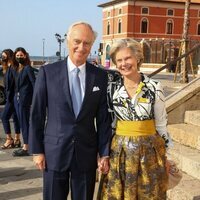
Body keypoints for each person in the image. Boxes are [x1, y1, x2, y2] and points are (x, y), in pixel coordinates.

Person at [28, 21, 112, 200]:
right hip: (54, 152)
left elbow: (103, 118)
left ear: (92, 46)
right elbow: (37, 114)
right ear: (68, 41)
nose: (81, 47)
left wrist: (104, 153)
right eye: (77, 41)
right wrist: (37, 150)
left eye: (87, 43)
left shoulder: (100, 76)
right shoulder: (48, 73)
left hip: (86, 154)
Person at [97, 38, 173, 200]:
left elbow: (161, 124)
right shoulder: (111, 89)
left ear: (138, 58)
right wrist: (103, 155)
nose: (124, 63)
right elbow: (108, 124)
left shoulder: (154, 87)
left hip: (150, 153)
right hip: (120, 153)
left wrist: (166, 156)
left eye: (127, 58)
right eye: (119, 60)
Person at [12, 47, 36, 156]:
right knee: (22, 123)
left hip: (25, 100)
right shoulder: (17, 68)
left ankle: (26, 146)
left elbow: (34, 84)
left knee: (25, 123)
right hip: (17, 100)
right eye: (17, 55)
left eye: (21, 55)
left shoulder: (27, 69)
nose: (19, 57)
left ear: (25, 56)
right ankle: (25, 144)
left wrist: (35, 99)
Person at [1, 49, 21, 149]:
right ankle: (17, 139)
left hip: (12, 97)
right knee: (15, 117)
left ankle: (9, 139)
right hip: (10, 96)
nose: (2, 57)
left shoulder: (13, 67)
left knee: (4, 117)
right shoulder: (6, 68)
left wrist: (16, 96)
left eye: (4, 56)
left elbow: (16, 83)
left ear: (9, 56)